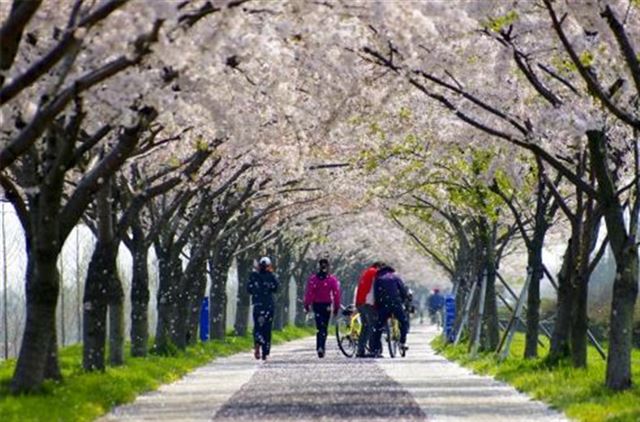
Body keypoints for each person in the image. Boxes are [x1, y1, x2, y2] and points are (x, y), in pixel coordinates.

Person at [304, 258, 341, 358]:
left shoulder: (313, 279)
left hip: (317, 305)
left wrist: (307, 304)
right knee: (324, 327)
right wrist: (336, 307)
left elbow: (309, 293)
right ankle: (322, 346)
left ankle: (319, 346)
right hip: (327, 305)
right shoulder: (331, 279)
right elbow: (336, 294)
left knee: (319, 327)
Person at [371, 264, 409, 356]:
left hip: (384, 304)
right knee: (404, 322)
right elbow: (403, 291)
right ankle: (403, 342)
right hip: (396, 303)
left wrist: (377, 305)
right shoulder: (396, 277)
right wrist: (404, 300)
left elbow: (376, 293)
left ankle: (376, 349)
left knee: (378, 326)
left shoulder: (378, 278)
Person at [247, 257, 279, 361]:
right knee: (267, 328)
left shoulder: (253, 276)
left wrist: (257, 290)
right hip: (268, 305)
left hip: (257, 304)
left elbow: (249, 289)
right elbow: (276, 288)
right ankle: (265, 351)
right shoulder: (271, 276)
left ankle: (257, 341)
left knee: (257, 326)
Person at [354, 261, 382, 357]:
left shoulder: (366, 272)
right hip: (368, 302)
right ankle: (373, 350)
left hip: (360, 302)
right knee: (373, 326)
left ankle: (360, 350)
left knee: (365, 326)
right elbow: (375, 289)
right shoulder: (375, 273)